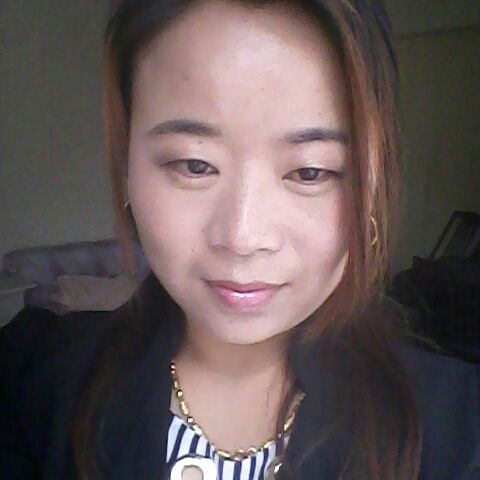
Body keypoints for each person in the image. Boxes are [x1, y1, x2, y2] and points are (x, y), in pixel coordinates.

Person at [1, 0, 479, 479]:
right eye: (194, 165)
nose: (243, 237)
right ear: (127, 157)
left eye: (310, 172)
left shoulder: (459, 427)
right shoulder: (36, 380)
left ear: (372, 181)